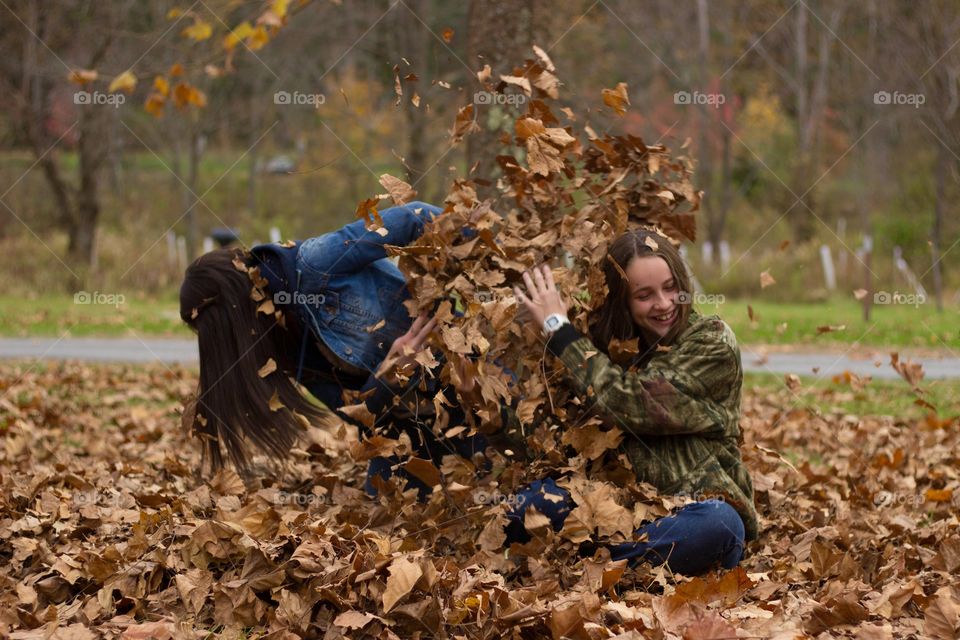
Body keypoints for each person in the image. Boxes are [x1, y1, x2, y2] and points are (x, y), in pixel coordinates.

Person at [502, 228, 758, 576]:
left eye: (671, 288)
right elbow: (542, 438)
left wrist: (559, 329)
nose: (665, 304)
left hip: (690, 513)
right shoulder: (603, 349)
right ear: (622, 300)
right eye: (644, 295)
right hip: (614, 510)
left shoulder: (712, 342)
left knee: (721, 525)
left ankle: (591, 562)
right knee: (524, 506)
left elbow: (629, 401)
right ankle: (608, 558)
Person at [178, 201, 485, 488]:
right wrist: (388, 379)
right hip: (418, 424)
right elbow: (363, 417)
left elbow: (413, 218)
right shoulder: (283, 350)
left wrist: (485, 271)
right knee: (381, 509)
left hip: (472, 368)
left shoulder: (314, 264)